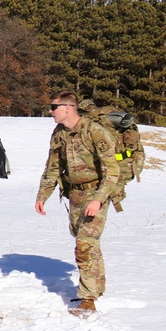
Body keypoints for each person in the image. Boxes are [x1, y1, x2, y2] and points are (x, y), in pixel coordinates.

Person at [35, 91, 120, 318]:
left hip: (97, 192)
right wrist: (43, 195)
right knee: (86, 241)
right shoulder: (59, 133)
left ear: (68, 108)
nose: (50, 111)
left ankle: (87, 299)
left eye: (54, 107)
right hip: (75, 194)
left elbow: (112, 171)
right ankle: (96, 287)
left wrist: (98, 199)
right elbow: (52, 167)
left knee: (84, 243)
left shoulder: (94, 131)